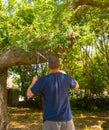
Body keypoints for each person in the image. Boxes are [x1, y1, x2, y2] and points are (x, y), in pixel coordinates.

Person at [27, 56, 79, 130]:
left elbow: (29, 94)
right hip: (67, 120)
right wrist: (66, 74)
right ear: (59, 65)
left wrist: (33, 82)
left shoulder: (43, 80)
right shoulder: (66, 77)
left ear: (48, 66)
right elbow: (77, 86)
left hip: (50, 121)